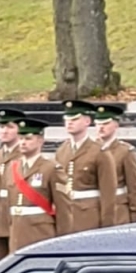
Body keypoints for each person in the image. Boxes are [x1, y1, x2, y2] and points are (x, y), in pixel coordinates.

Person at [54, 98, 111, 235]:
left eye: (75, 119)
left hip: (89, 216)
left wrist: (107, 226)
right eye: (67, 119)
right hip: (66, 215)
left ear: (87, 121)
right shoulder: (62, 150)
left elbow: (108, 192)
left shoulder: (99, 151)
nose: (69, 123)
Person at [7, 117, 57, 250]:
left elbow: (63, 209)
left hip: (40, 234)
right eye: (21, 138)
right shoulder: (12, 168)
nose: (23, 143)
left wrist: (62, 239)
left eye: (28, 139)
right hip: (17, 233)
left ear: (40, 141)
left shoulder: (51, 168)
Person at [0, 109, 23, 263]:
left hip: (16, 215)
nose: (4, 131)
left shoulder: (23, 156)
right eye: (1, 127)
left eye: (9, 127)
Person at [96, 103, 136, 223]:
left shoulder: (125, 151)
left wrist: (135, 216)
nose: (101, 127)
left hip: (118, 211)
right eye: (98, 123)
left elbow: (134, 188)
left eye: (106, 123)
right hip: (94, 210)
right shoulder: (91, 150)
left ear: (116, 125)